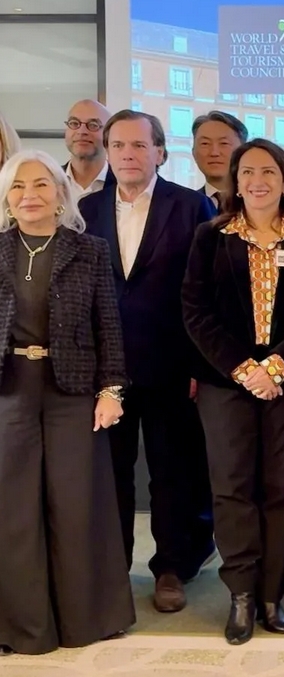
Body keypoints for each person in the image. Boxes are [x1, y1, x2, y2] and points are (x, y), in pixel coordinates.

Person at [182, 139, 284, 645]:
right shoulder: (210, 236)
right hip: (225, 383)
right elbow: (195, 312)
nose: (257, 180)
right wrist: (245, 368)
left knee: (282, 487)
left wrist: (277, 367)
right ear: (235, 181)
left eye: (268, 171)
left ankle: (273, 594)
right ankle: (242, 594)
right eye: (247, 171)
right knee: (232, 488)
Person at [80, 110, 217, 613]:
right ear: (107, 152)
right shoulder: (87, 209)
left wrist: (201, 366)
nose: (128, 155)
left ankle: (171, 569)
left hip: (172, 365)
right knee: (110, 474)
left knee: (172, 472)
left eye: (139, 145)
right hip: (105, 371)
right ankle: (112, 569)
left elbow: (206, 291)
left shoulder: (190, 205)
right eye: (118, 145)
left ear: (160, 151)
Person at [0, 149, 134, 655]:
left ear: (60, 193)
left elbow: (109, 327)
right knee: (14, 510)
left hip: (72, 392)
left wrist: (111, 391)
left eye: (40, 184)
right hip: (10, 389)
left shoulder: (90, 250)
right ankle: (19, 627)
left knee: (76, 505)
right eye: (18, 186)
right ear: (7, 199)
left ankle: (86, 619)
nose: (29, 195)